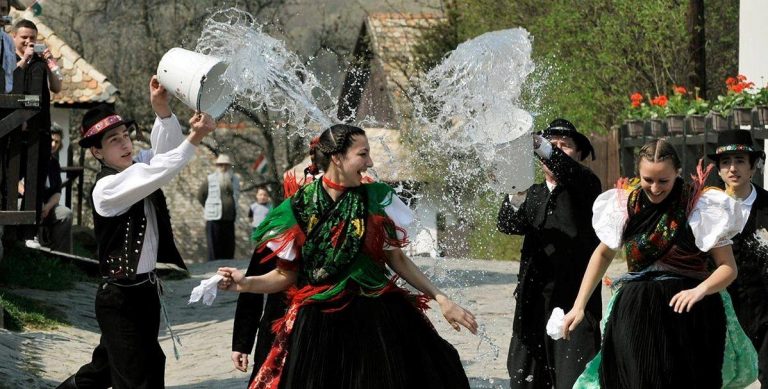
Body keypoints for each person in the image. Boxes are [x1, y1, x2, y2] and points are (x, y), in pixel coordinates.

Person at [217, 124, 477, 389]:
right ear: (337, 158)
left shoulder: (376, 198)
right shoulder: (298, 207)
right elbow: (285, 275)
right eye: (362, 155)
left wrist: (441, 298)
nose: (370, 162)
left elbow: (397, 259)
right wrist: (245, 284)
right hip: (318, 324)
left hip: (377, 316)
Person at [56, 76, 216, 389]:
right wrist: (195, 137)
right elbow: (160, 169)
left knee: (107, 370)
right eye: (113, 140)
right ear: (97, 153)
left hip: (145, 292)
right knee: (137, 377)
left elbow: (164, 154)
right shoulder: (108, 187)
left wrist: (162, 108)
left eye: (125, 135)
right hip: (119, 297)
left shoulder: (136, 165)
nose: (125, 143)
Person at [563, 139, 758, 388]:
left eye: (663, 181)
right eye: (648, 180)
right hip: (636, 314)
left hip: (691, 313)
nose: (655, 188)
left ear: (677, 172)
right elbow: (603, 255)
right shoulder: (625, 206)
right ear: (638, 174)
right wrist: (579, 306)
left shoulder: (700, 206)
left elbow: (728, 268)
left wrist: (700, 290)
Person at [497, 118, 601, 388]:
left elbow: (568, 171)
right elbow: (507, 225)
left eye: (564, 146)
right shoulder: (533, 193)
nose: (555, 150)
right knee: (524, 381)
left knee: (575, 382)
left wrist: (538, 144)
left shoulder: (586, 185)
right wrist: (515, 194)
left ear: (578, 154)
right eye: (551, 144)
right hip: (531, 306)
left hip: (575, 305)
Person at [709, 129, 768, 388]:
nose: (733, 168)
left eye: (740, 161)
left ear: (753, 166)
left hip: (765, 309)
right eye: (726, 162)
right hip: (722, 310)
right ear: (719, 170)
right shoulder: (706, 209)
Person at [21, 124, 72, 252]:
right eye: (51, 140)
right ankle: (29, 241)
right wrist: (32, 198)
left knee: (66, 214)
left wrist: (48, 206)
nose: (54, 144)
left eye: (57, 142)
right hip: (27, 203)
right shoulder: (30, 157)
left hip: (47, 207)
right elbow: (15, 181)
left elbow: (57, 192)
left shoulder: (54, 163)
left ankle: (60, 255)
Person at [198, 153, 240, 261]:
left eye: (226, 165)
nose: (223, 167)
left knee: (229, 246)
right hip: (214, 217)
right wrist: (209, 206)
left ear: (229, 166)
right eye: (220, 165)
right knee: (214, 246)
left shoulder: (234, 179)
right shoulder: (210, 179)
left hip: (229, 218)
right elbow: (201, 196)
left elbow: (236, 195)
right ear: (217, 166)